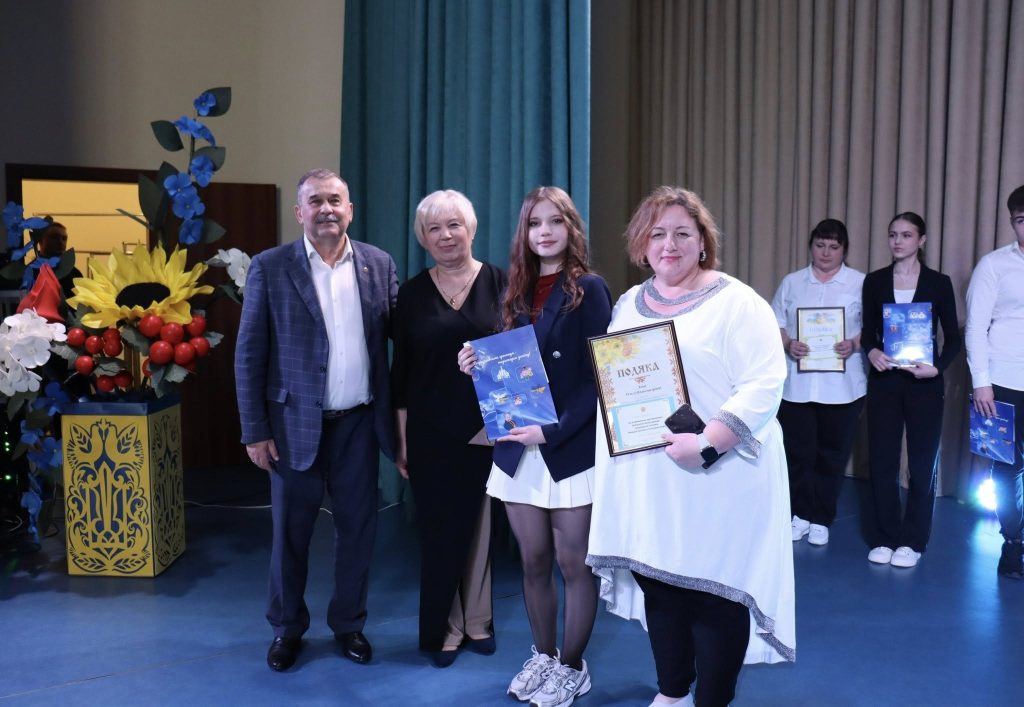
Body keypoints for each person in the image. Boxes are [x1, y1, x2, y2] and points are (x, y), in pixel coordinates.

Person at [586, 186, 794, 707]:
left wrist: (707, 444)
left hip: (719, 475)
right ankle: (673, 691)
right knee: (660, 582)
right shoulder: (629, 303)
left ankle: (712, 701)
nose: (669, 244)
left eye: (683, 233)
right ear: (641, 244)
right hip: (651, 476)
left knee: (715, 592)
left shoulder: (737, 302)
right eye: (657, 234)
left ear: (703, 242)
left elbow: (765, 383)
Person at [234, 169, 398, 672]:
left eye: (335, 200)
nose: (326, 209)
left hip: (359, 424)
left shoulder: (377, 263)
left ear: (350, 209)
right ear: (299, 212)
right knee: (291, 534)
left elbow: (406, 335)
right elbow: (249, 353)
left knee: (358, 531)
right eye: (315, 201)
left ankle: (349, 624)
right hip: (291, 428)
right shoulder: (270, 266)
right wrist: (255, 430)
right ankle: (287, 629)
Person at [458, 187, 612, 707]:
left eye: (555, 221)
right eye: (534, 223)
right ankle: (544, 657)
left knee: (575, 565)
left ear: (571, 228)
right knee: (533, 561)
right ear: (524, 232)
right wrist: (475, 364)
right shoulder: (515, 290)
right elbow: (509, 368)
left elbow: (598, 378)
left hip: (565, 448)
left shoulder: (590, 289)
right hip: (516, 450)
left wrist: (552, 430)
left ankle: (572, 667)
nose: (544, 232)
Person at [391, 190, 506, 667]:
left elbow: (522, 355)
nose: (445, 236)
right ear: (423, 238)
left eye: (454, 225)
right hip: (429, 428)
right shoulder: (411, 294)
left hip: (488, 426)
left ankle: (478, 621)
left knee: (480, 528)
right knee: (439, 531)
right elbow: (402, 373)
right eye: (434, 228)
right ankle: (445, 627)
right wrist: (400, 439)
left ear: (471, 229)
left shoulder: (502, 282)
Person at [861, 212, 961, 568]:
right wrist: (872, 352)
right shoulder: (874, 281)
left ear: (921, 240)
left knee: (922, 464)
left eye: (906, 235)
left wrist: (938, 367)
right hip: (885, 382)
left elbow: (954, 337)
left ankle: (913, 541)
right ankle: (885, 537)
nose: (898, 241)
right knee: (882, 461)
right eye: (893, 235)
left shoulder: (938, 283)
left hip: (924, 384)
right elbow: (868, 333)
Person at [771, 219, 866, 546]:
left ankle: (822, 517)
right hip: (798, 386)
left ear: (844, 250)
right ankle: (800, 514)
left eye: (834, 247)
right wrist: (788, 343)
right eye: (820, 245)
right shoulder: (792, 282)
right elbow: (776, 322)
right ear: (811, 246)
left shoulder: (859, 283)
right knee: (798, 455)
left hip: (843, 388)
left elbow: (873, 327)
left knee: (832, 456)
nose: (826, 252)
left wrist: (853, 343)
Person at [965, 185, 1024, 579]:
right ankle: (1013, 543)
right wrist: (981, 382)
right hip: (1002, 380)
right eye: (1021, 220)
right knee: (1005, 468)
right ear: (1012, 222)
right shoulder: (993, 265)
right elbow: (975, 326)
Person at [37, 221, 83, 299]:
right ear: (40, 240)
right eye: (54, 237)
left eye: (64, 239)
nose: (60, 242)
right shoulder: (30, 272)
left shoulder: (75, 274)